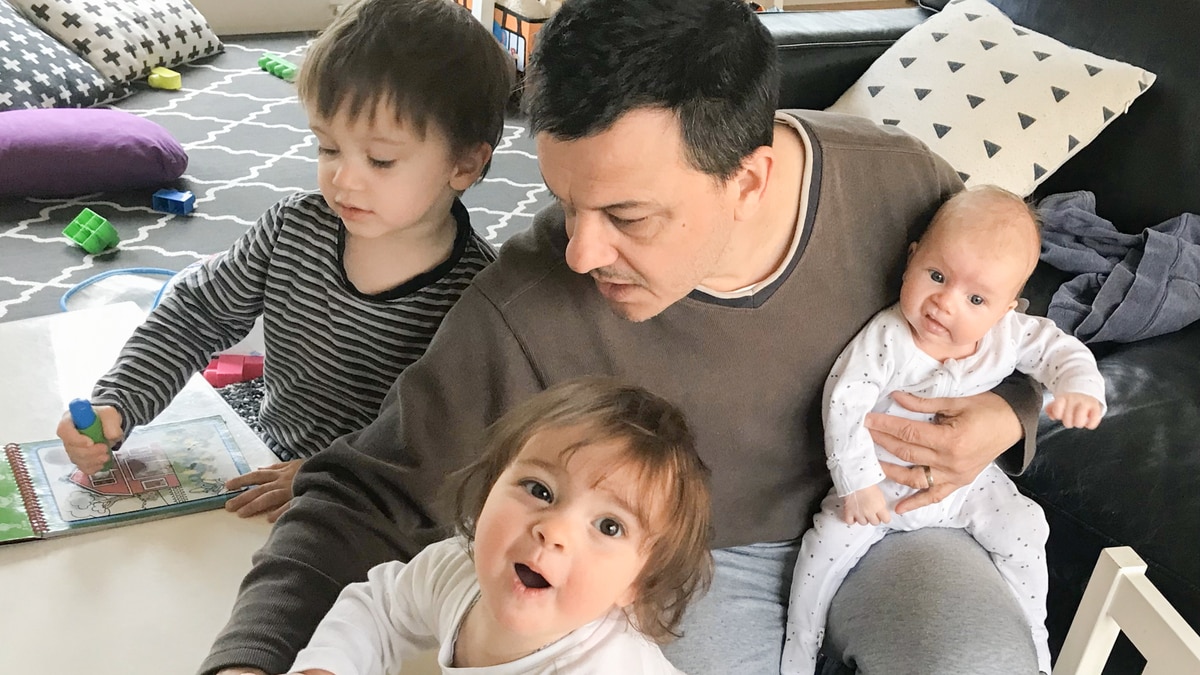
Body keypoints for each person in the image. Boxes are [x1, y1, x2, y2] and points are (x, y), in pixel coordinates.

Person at [203, 1, 1049, 674]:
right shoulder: (530, 301)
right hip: (690, 569)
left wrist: (1010, 410)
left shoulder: (900, 181)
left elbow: (1015, 314)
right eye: (567, 202)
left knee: (981, 657)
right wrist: (249, 659)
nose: (582, 250)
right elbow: (368, 496)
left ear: (748, 179)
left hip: (899, 522)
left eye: (626, 215)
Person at [54, 0, 514, 521]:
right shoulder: (295, 226)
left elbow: (451, 446)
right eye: (328, 148)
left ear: (466, 163)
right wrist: (119, 402)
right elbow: (195, 315)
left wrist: (329, 474)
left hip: (371, 502)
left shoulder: (480, 296)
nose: (344, 179)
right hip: (265, 447)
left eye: (380, 159)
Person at [781, 186, 1107, 675]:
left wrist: (1080, 389)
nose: (944, 304)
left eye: (976, 298)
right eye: (936, 276)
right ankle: (800, 647)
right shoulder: (888, 337)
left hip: (966, 484)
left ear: (1007, 309)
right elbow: (844, 402)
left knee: (1026, 527)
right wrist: (858, 483)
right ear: (912, 260)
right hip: (882, 485)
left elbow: (1060, 351)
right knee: (825, 544)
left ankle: (1036, 640)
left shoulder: (1007, 336)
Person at [286, 377, 712, 675]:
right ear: (492, 486)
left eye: (608, 526)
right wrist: (329, 665)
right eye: (540, 490)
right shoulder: (456, 567)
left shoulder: (601, 667)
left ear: (637, 584)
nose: (553, 531)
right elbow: (381, 610)